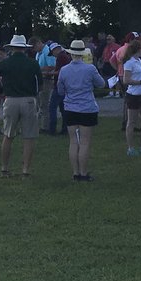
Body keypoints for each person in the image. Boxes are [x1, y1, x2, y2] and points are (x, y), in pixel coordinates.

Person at [0, 34, 42, 177]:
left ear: (12, 48)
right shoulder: (32, 63)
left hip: (11, 100)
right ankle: (25, 170)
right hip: (28, 100)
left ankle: (4, 168)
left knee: (8, 135)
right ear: (25, 48)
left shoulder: (5, 62)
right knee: (28, 137)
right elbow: (40, 84)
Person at [56, 39, 107, 181]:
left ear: (71, 53)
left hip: (70, 108)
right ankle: (83, 173)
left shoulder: (64, 70)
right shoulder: (90, 69)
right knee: (85, 142)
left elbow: (60, 90)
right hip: (87, 108)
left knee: (73, 141)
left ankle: (75, 172)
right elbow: (101, 84)